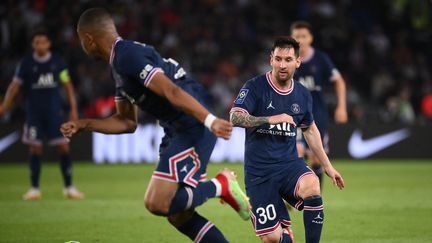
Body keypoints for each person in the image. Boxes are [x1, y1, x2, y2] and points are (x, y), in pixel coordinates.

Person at [60, 8, 250, 242]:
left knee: (157, 202)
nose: (82, 46)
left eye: (81, 40)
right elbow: (127, 122)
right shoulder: (119, 65)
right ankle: (219, 188)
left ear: (88, 39)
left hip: (191, 123)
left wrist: (209, 120)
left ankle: (220, 185)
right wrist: (84, 124)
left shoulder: (127, 55)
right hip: (177, 127)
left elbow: (171, 90)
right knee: (179, 215)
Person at [230, 36, 345, 243]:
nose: (283, 65)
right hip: (259, 172)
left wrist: (328, 166)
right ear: (271, 59)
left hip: (288, 165)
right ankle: (283, 236)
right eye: (278, 59)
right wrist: (271, 119)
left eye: (288, 59)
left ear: (297, 62)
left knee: (312, 185)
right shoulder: (255, 87)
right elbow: (234, 117)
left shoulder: (302, 94)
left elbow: (310, 129)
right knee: (272, 239)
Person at [0, 29, 83, 200]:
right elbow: (14, 87)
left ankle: (69, 187)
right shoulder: (26, 64)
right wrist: (5, 105)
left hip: (55, 114)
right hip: (34, 115)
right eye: (36, 42)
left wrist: (73, 109)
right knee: (35, 148)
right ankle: (34, 188)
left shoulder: (58, 62)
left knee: (63, 147)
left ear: (49, 44)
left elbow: (68, 86)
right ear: (32, 44)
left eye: (43, 42)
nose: (40, 45)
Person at [290, 21, 348, 188]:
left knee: (316, 157)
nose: (300, 39)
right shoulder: (287, 60)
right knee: (297, 152)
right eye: (296, 36)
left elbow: (339, 81)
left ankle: (315, 198)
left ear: (311, 38)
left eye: (303, 36)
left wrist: (341, 106)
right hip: (292, 114)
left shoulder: (321, 59)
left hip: (317, 114)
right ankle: (294, 192)